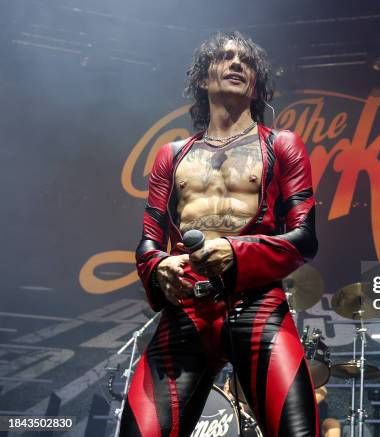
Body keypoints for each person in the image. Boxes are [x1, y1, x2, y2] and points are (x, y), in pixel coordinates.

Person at [122, 31, 319, 437]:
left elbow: (304, 238)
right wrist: (159, 267)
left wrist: (236, 251)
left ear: (256, 82)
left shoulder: (283, 145)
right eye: (225, 57)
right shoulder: (171, 155)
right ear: (201, 78)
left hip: (258, 307)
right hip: (185, 314)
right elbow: (147, 242)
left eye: (245, 61)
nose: (236, 64)